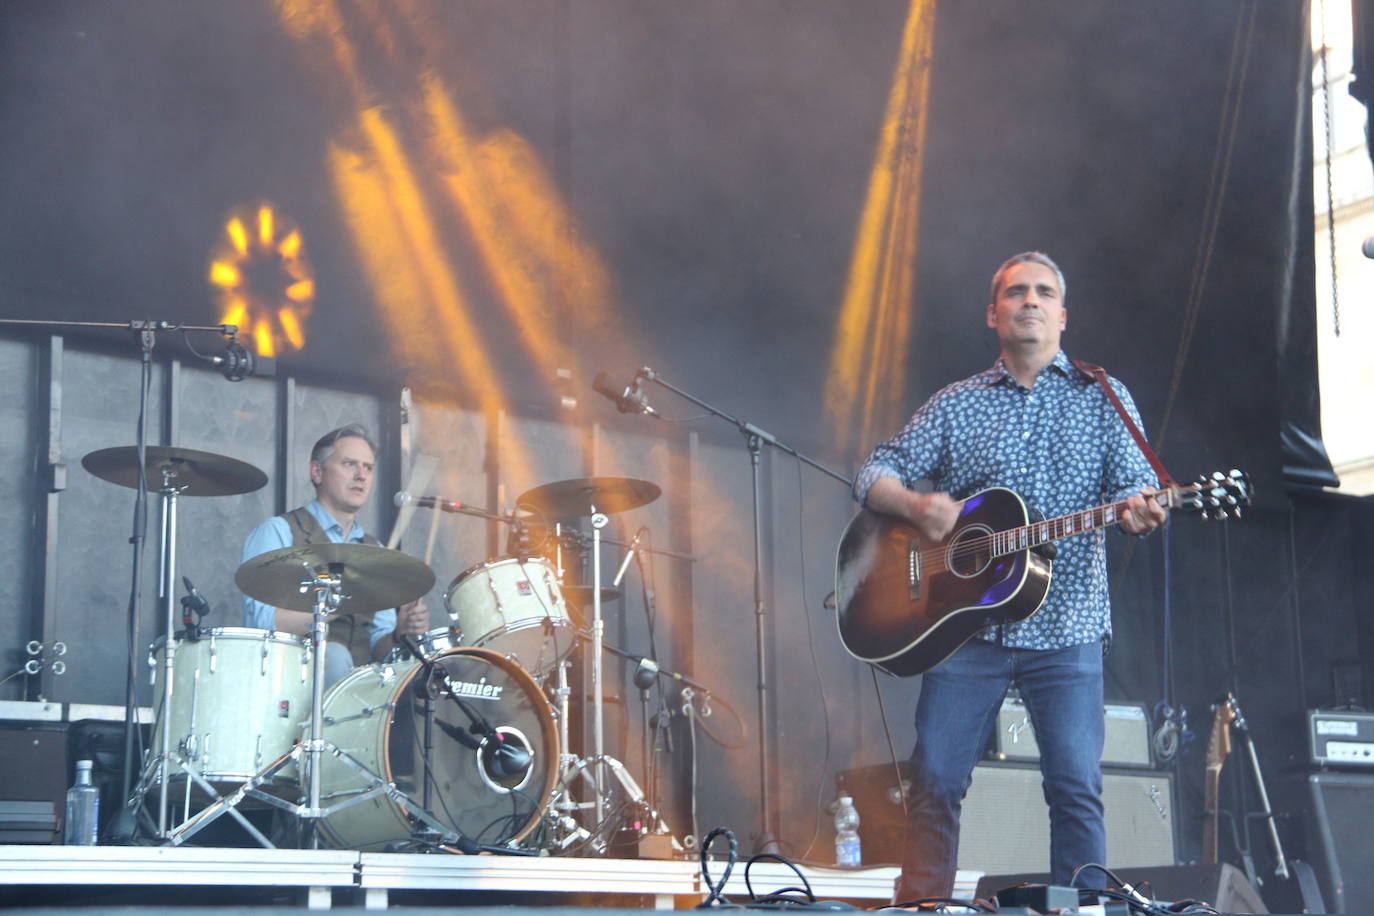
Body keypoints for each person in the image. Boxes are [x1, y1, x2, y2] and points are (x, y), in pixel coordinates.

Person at [852, 252, 1167, 900]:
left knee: (1076, 786)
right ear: (992, 313)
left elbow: (1139, 489)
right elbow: (872, 472)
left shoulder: (1103, 396)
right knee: (935, 781)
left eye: (1044, 292)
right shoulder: (956, 405)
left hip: (1068, 626)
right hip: (964, 633)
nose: (1030, 300)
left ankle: (1083, 912)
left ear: (1062, 314)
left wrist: (1141, 512)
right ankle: (924, 910)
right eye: (1016, 291)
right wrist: (916, 505)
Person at [241, 424, 429, 687]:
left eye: (368, 467)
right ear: (317, 472)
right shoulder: (279, 532)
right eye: (350, 464)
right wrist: (335, 603)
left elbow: (379, 648)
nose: (361, 475)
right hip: (289, 685)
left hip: (361, 691)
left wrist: (400, 633)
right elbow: (262, 624)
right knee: (335, 655)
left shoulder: (377, 552)